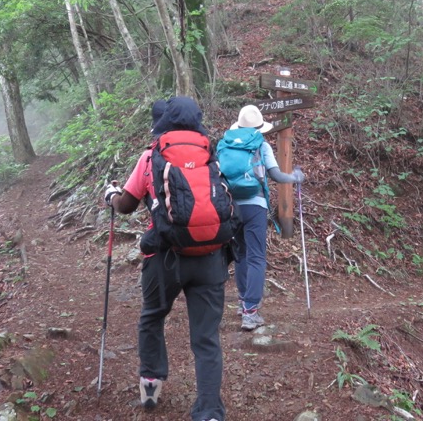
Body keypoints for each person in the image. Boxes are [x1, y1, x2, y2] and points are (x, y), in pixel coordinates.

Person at [105, 96, 228, 421]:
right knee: (206, 338)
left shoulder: (151, 157)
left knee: (152, 316)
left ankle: (151, 380)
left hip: (164, 258)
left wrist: (110, 195)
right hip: (210, 257)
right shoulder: (210, 156)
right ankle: (210, 412)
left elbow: (126, 205)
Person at [219, 105, 304, 331]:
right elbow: (275, 175)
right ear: (258, 127)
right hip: (255, 205)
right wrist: (294, 177)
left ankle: (242, 302)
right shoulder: (260, 144)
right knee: (256, 257)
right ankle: (251, 312)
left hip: (231, 207)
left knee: (241, 254)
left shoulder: (226, 142)